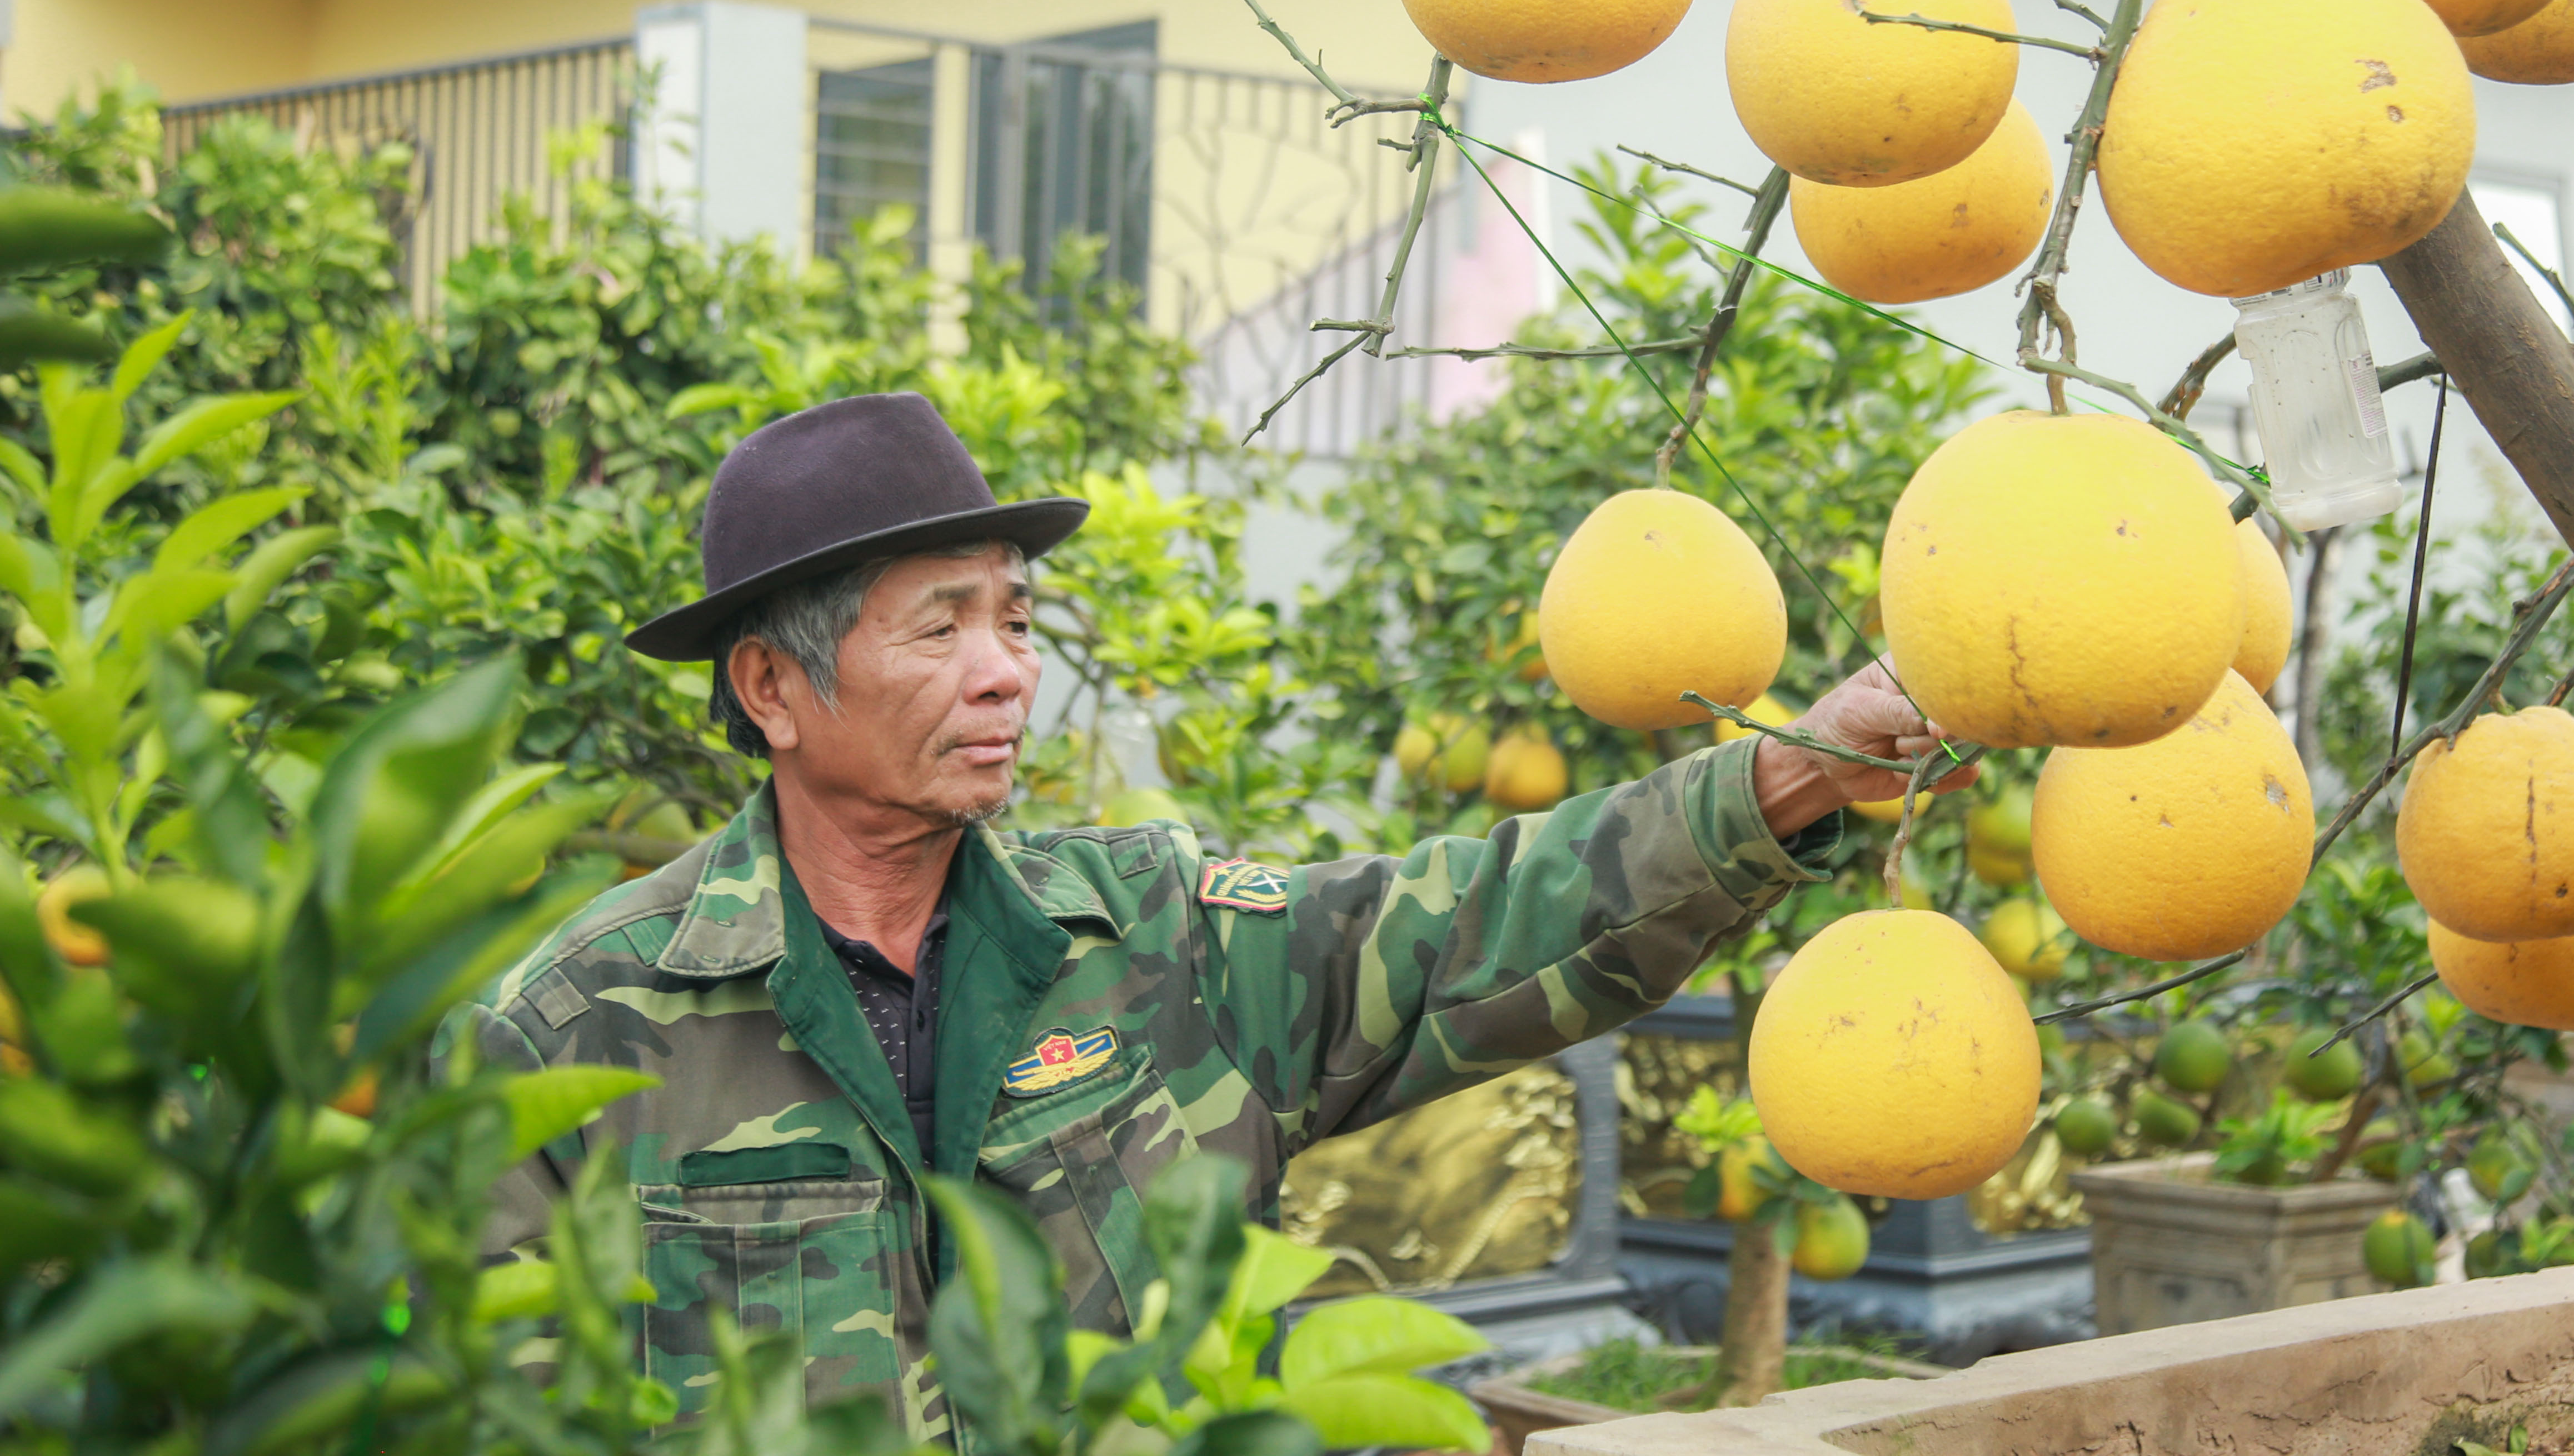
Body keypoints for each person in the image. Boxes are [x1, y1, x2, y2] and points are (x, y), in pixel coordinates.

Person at [450, 392, 1956, 1437]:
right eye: (941, 625)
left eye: (1016, 617)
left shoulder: (1156, 942)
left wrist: (1791, 775)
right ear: (772, 688)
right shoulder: (583, 1033)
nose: (1007, 670)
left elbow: (1470, 927)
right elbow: (477, 1408)